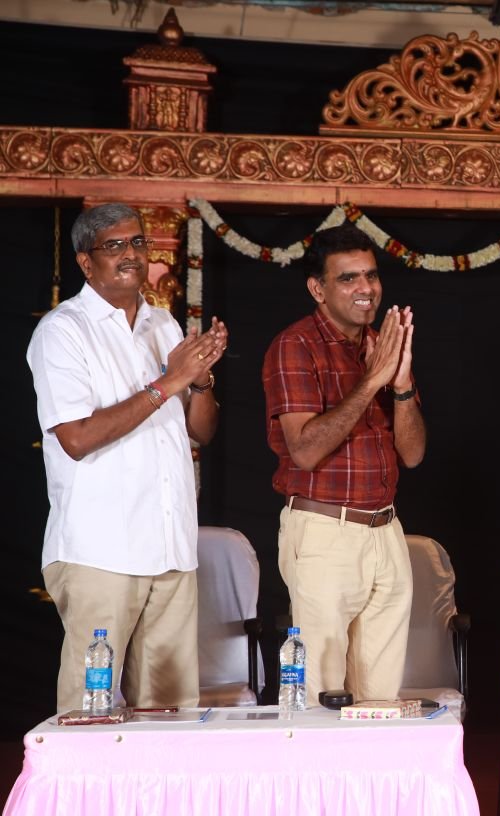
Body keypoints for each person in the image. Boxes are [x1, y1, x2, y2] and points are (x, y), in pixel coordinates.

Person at [28, 202, 225, 713]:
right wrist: (170, 382)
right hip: (102, 550)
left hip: (171, 547)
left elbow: (201, 431)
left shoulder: (164, 326)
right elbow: (76, 438)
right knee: (88, 711)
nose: (131, 254)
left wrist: (202, 380)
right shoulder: (63, 331)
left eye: (138, 242)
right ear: (85, 261)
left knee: (170, 711)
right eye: (114, 246)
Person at [263, 224, 425, 703]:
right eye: (348, 278)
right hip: (324, 533)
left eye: (371, 276)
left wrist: (401, 385)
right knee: (321, 693)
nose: (365, 288)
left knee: (380, 700)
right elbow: (305, 450)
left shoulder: (382, 345)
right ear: (318, 289)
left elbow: (413, 454)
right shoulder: (295, 346)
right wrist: (372, 382)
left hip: (386, 531)